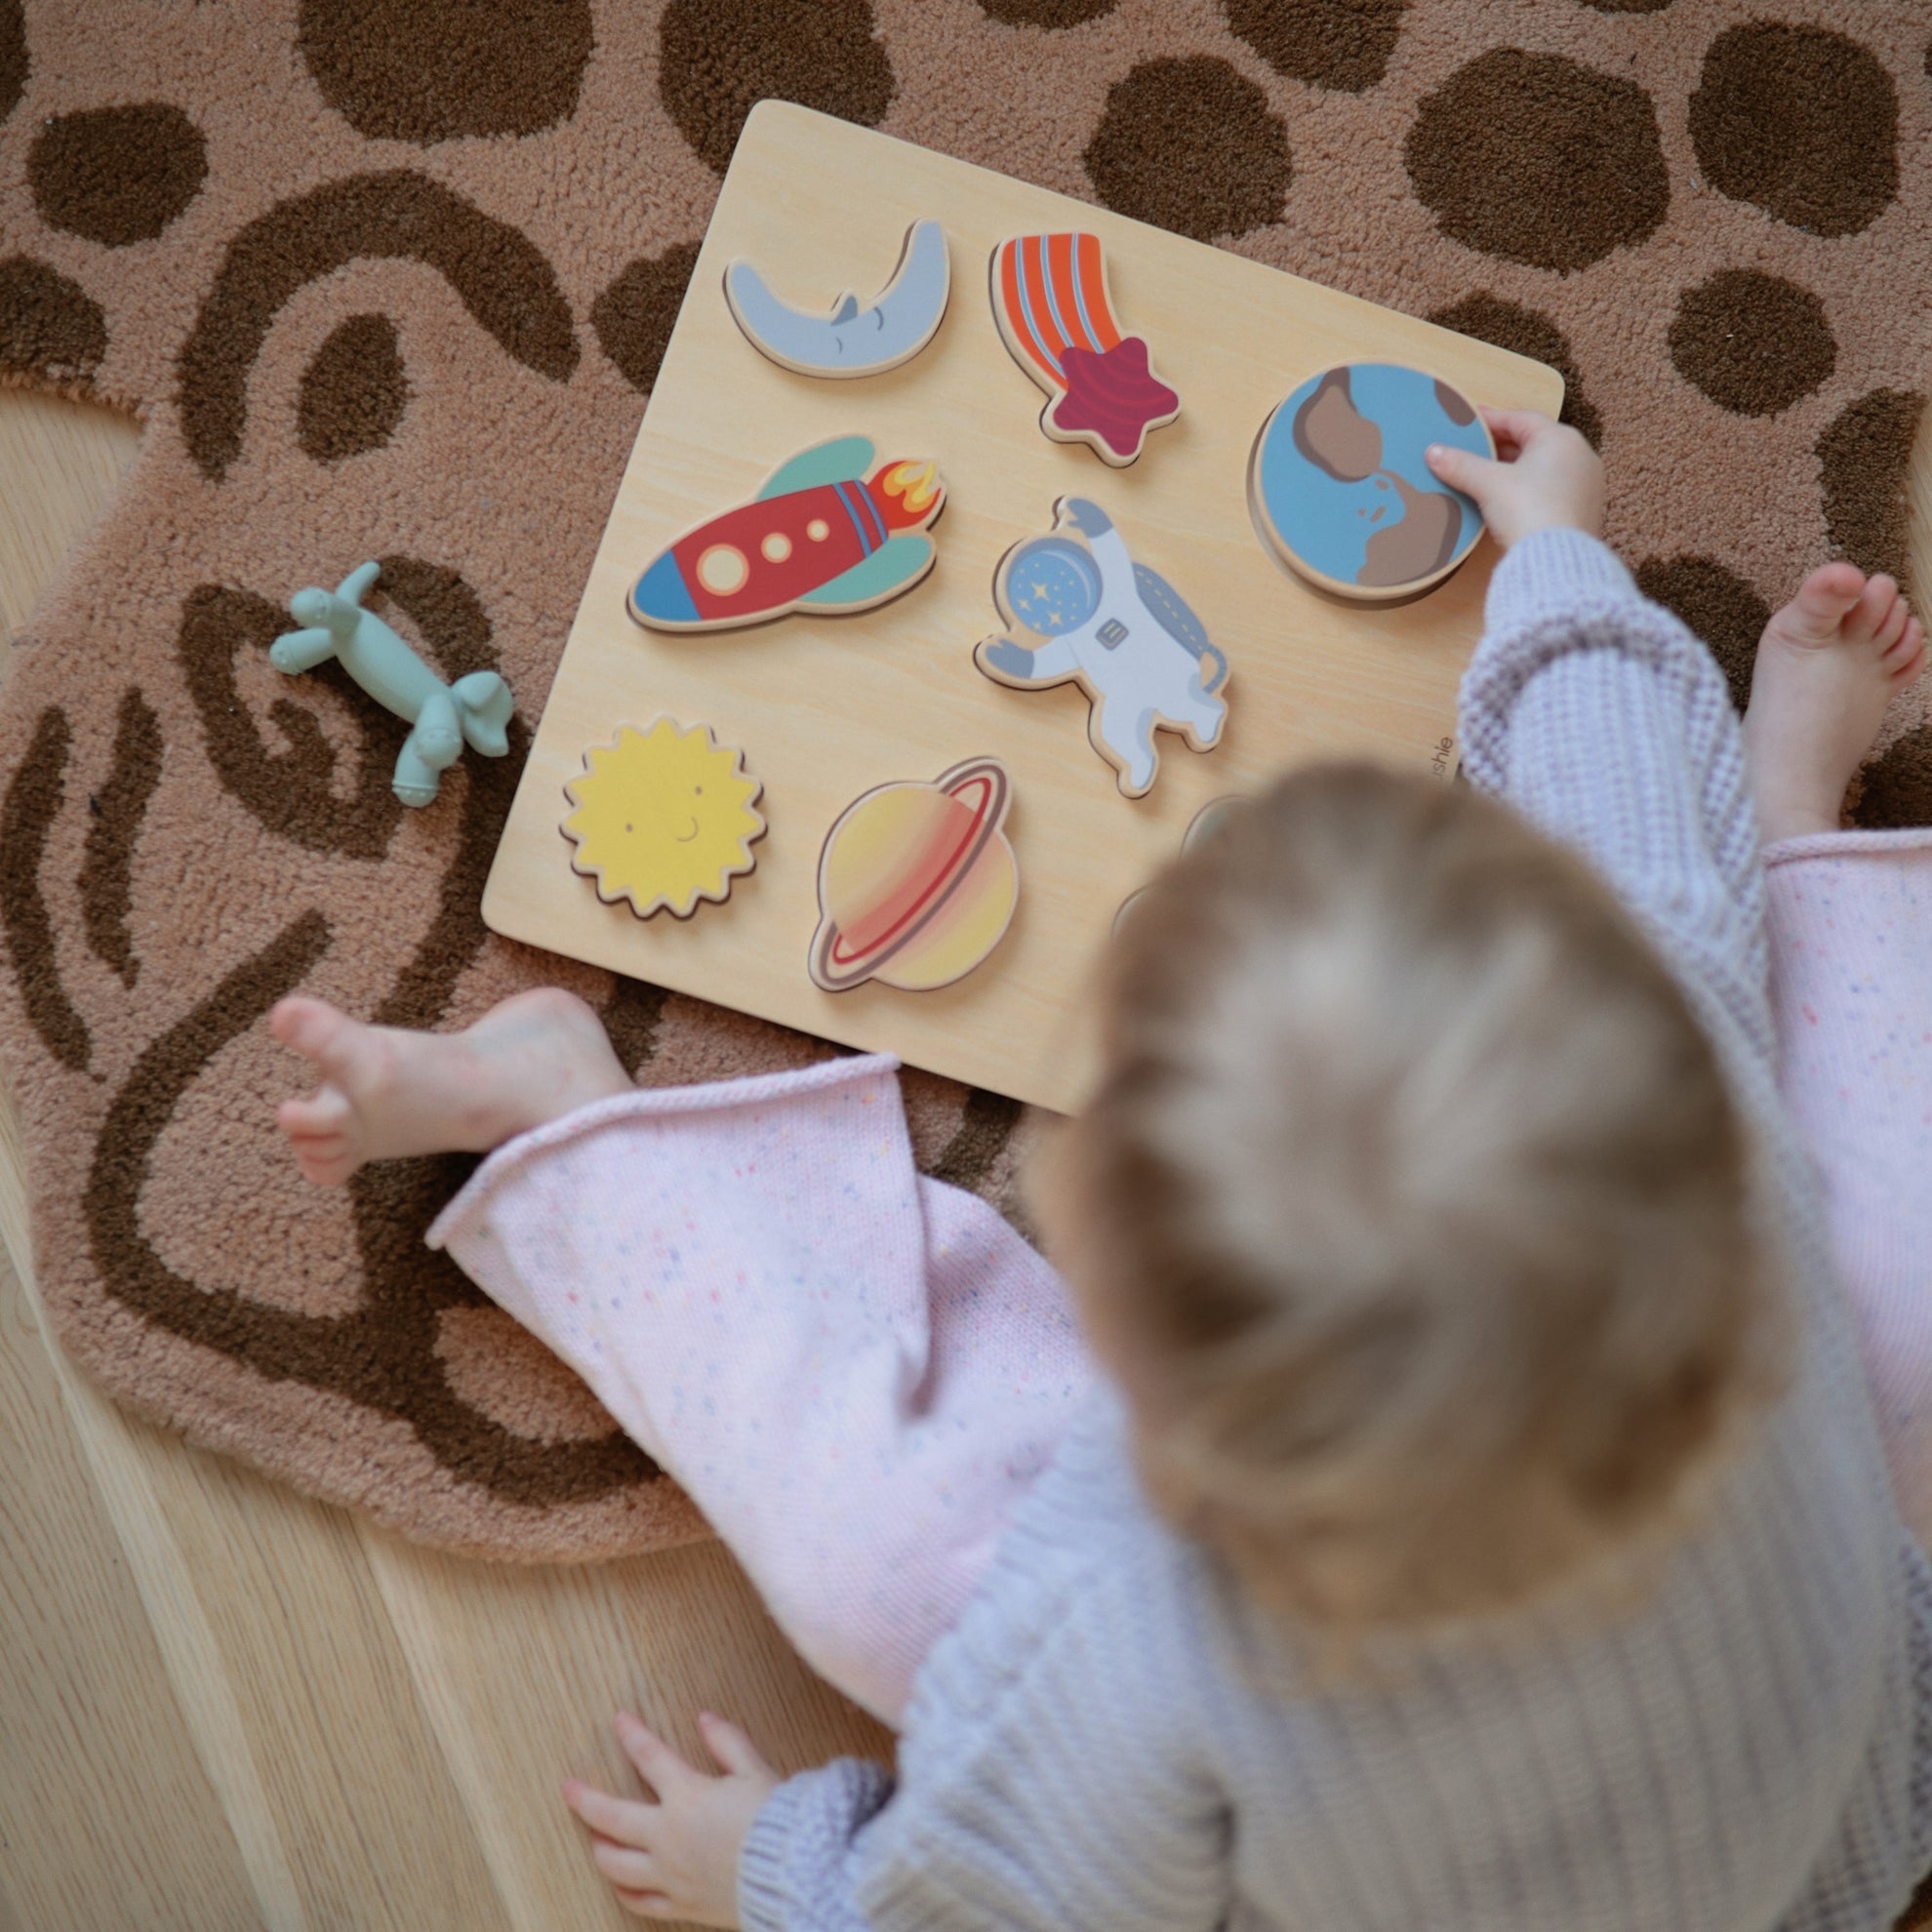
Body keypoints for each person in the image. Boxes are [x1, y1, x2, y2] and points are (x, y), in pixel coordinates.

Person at [271, 410, 1932, 1931]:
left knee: (884, 1559)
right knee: (1894, 1293)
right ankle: (1791, 825)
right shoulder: (1683, 1114)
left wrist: (791, 1880)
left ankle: (571, 1129)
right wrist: (1557, 559)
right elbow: (1627, 816)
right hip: (1828, 1796)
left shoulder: (1147, 1635)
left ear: (1132, 1374)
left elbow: (1010, 1911)